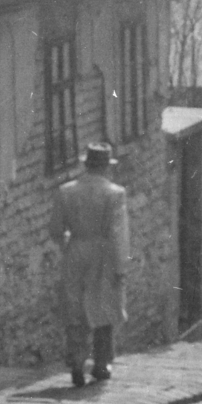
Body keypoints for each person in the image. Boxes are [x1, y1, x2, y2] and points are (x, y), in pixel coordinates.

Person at [49, 142, 130, 386]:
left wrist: (69, 245)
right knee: (103, 308)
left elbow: (55, 229)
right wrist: (120, 267)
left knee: (75, 308)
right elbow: (118, 233)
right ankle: (102, 364)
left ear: (86, 165)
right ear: (106, 167)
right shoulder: (114, 194)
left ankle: (76, 363)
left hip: (76, 249)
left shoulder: (66, 191)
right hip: (103, 253)